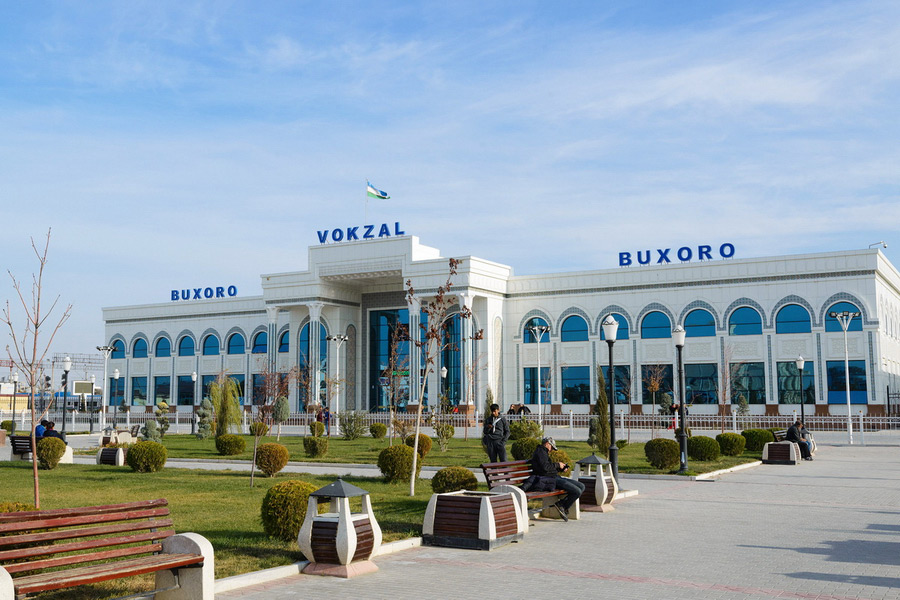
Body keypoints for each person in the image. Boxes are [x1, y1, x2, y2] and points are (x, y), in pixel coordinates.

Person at [529, 437, 585, 522]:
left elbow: (548, 468)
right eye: (551, 447)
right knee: (577, 491)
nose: (551, 450)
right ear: (547, 444)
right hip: (549, 480)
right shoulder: (540, 452)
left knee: (581, 486)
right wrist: (557, 465)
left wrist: (560, 469)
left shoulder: (544, 452)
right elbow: (545, 468)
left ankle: (561, 504)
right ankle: (562, 506)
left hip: (554, 477)